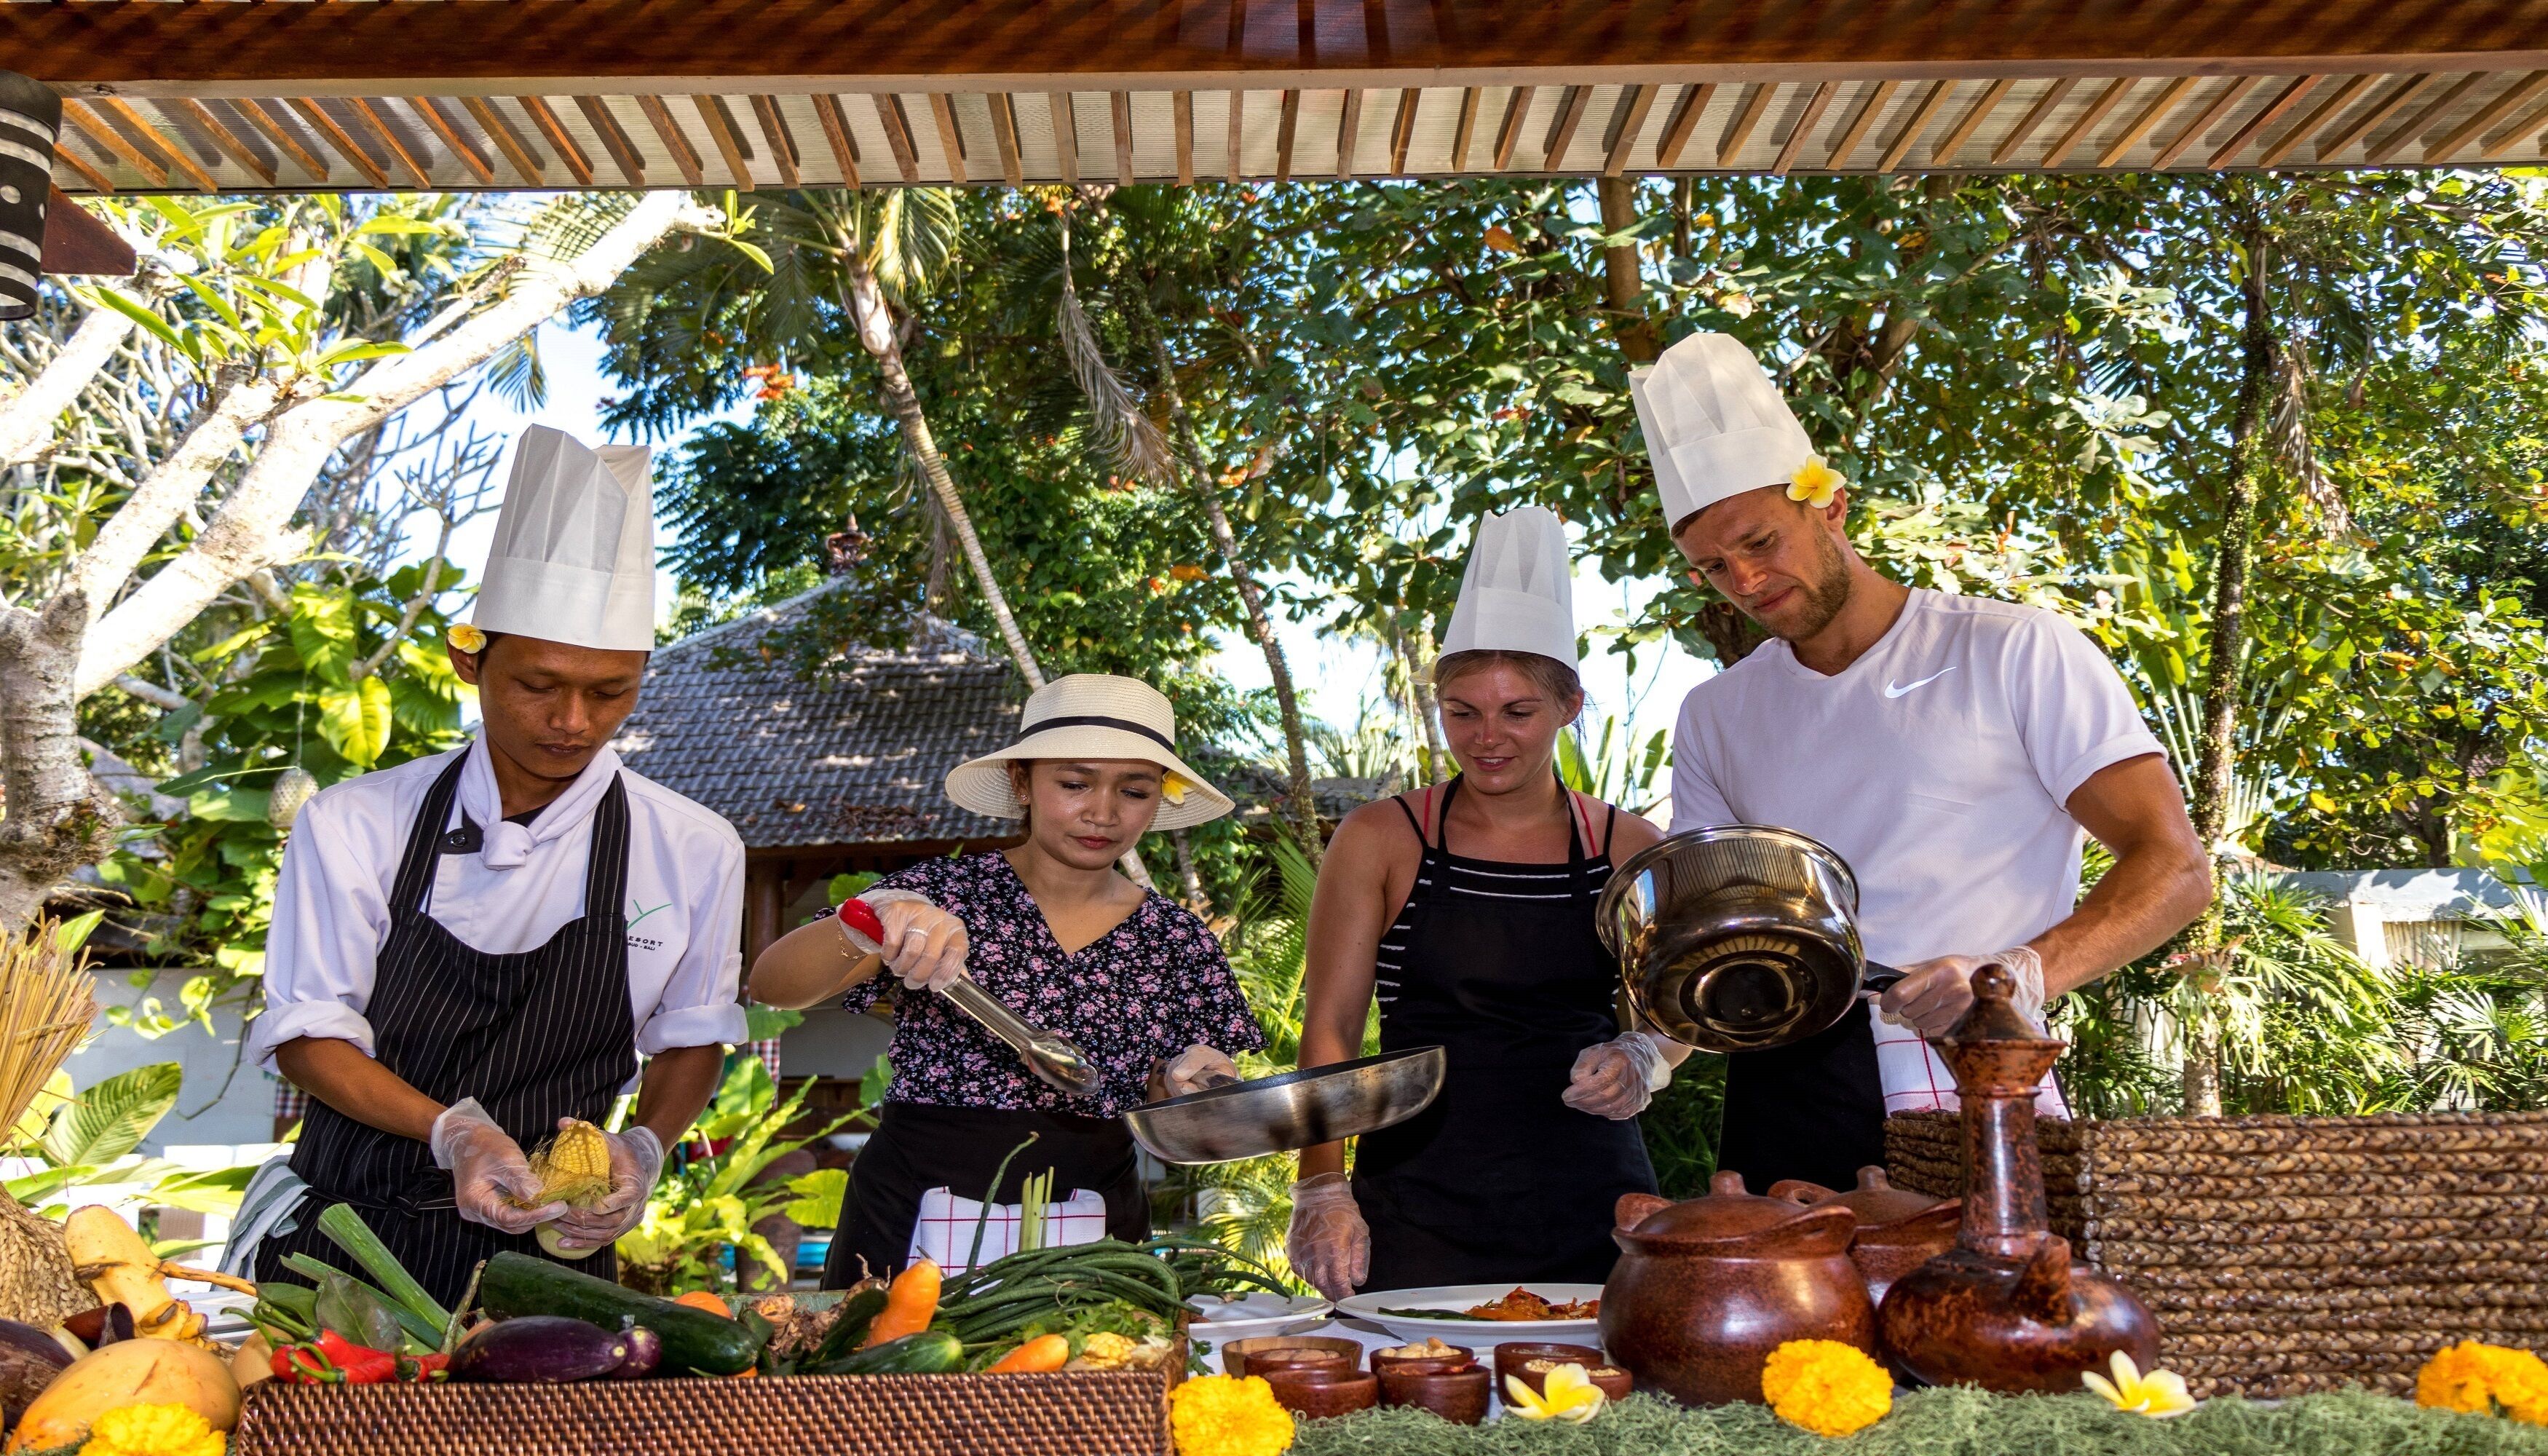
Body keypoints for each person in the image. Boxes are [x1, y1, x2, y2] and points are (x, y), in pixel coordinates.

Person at [1630, 332, 2214, 1194]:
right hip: (1783, 1074)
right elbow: (1715, 929)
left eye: (1759, 541)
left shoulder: (2013, 649)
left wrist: (2009, 975)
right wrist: (1648, 1049)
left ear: (1827, 505)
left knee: (1982, 1320)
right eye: (1712, 567)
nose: (1744, 581)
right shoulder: (1717, 713)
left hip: (1967, 1059)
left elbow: (2175, 868)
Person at [241, 427, 745, 1305]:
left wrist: (648, 1145)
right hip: (345, 1245)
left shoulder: (694, 846)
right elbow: (307, 1033)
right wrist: (453, 1130)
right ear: (468, 659)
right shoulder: (357, 822)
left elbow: (692, 1033)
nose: (573, 720)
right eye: (539, 683)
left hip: (553, 1269)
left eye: (610, 691)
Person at [750, 674, 1264, 1284]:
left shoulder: (1175, 938)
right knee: (891, 1373)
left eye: (1133, 790)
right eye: (1075, 783)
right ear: (1022, 781)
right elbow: (772, 985)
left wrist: (1190, 1082)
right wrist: (874, 921)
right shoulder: (941, 895)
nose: (1102, 812)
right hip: (916, 1205)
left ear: (1159, 799)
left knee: (1093, 1371)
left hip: (1091, 1213)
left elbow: (1165, 1094)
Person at [1284, 507, 1671, 1301]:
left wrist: (1644, 1060)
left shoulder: (1627, 844)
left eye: (1516, 711)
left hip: (1589, 1187)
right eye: (1462, 711)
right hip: (1416, 1190)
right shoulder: (1381, 837)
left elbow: (1672, 1011)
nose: (1486, 736)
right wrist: (1320, 1187)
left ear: (1567, 706)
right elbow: (1329, 1027)